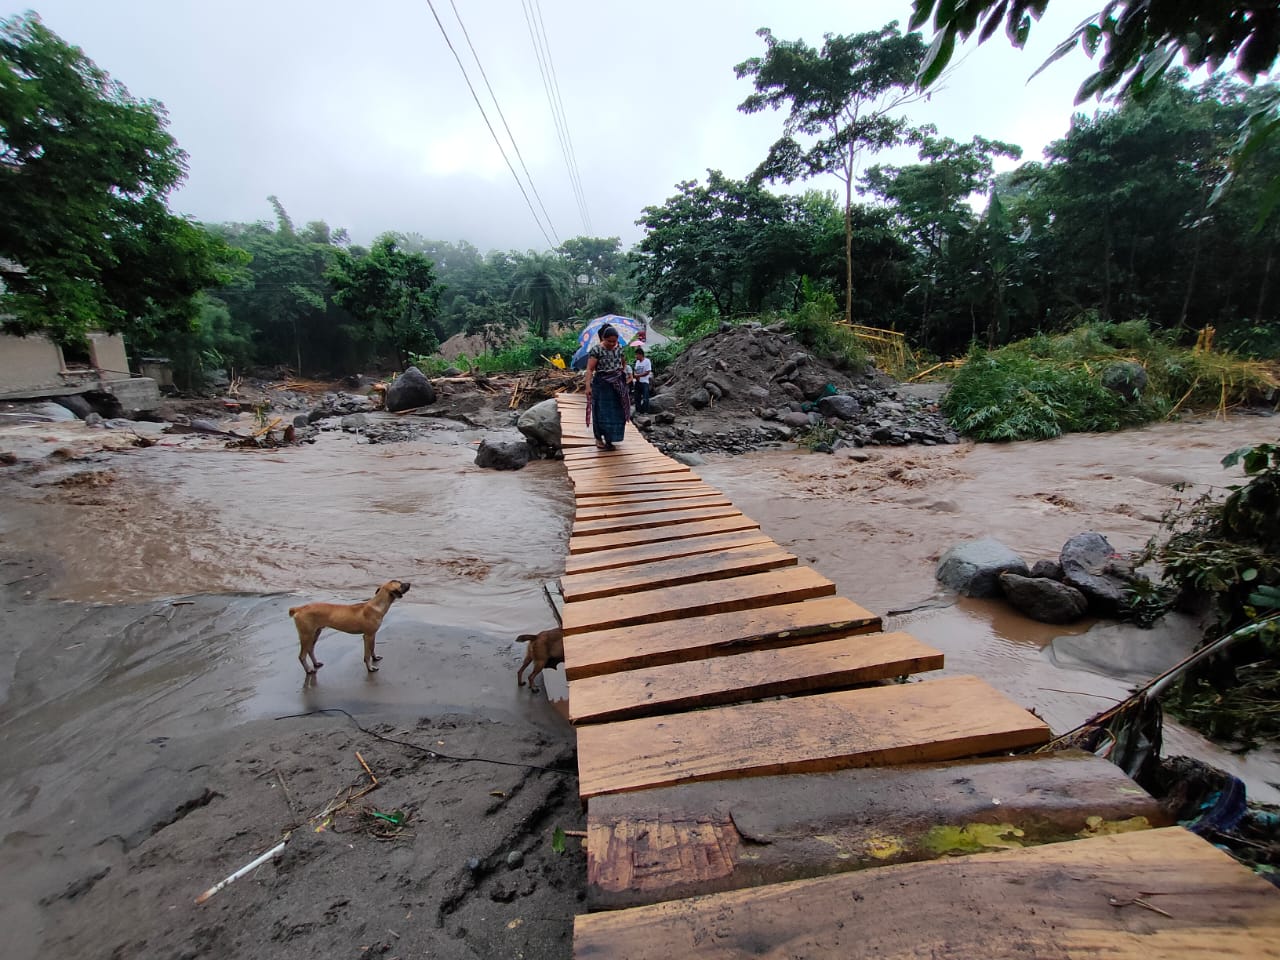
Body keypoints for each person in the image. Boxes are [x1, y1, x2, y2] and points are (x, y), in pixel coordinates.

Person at [584, 324, 630, 450]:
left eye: (614, 341)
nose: (611, 343)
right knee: (601, 412)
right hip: (602, 385)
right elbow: (589, 369)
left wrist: (622, 372)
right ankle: (599, 438)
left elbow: (624, 362)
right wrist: (588, 386)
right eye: (609, 341)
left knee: (617, 412)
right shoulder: (596, 350)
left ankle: (611, 439)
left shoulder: (620, 348)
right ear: (603, 338)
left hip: (617, 385)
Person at [631, 345, 652, 414]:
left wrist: (639, 375)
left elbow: (648, 372)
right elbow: (636, 370)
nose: (636, 356)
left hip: (644, 382)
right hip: (638, 381)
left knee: (645, 397)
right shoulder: (637, 362)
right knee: (637, 397)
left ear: (640, 355)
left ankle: (645, 410)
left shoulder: (647, 361)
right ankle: (638, 410)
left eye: (636, 355)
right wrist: (635, 375)